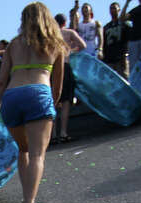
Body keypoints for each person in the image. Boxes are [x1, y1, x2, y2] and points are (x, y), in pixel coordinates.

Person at [0, 2, 68, 203]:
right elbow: (58, 86)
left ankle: (26, 200)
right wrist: (52, 103)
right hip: (38, 93)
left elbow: (1, 81)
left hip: (12, 97)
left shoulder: (13, 44)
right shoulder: (55, 44)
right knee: (37, 154)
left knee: (23, 150)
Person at [53, 13, 87, 144]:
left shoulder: (50, 35)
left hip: (53, 67)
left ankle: (53, 134)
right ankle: (63, 132)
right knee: (66, 100)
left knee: (54, 100)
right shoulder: (69, 33)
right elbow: (83, 45)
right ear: (64, 22)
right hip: (65, 65)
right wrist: (71, 50)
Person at [102, 2, 131, 77]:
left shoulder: (125, 24)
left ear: (119, 10)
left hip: (121, 58)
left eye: (114, 8)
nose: (112, 10)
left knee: (124, 79)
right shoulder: (106, 27)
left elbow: (129, 39)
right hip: (109, 59)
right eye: (111, 8)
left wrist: (126, 54)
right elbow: (103, 43)